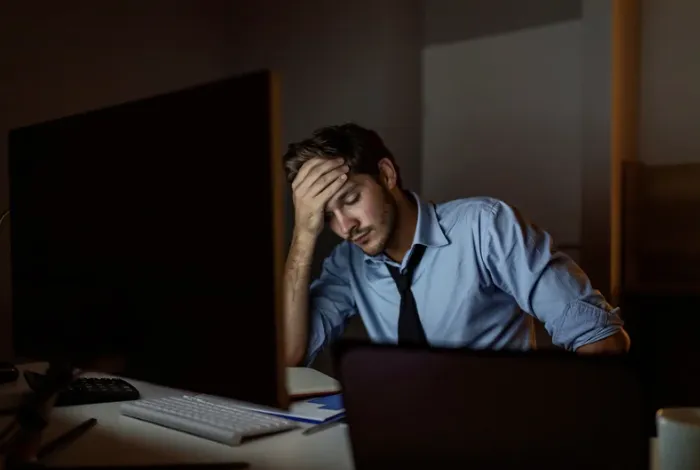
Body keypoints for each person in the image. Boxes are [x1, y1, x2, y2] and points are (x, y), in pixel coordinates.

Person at [282, 123, 630, 367]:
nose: (345, 227)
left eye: (352, 198)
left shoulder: (484, 226)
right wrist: (303, 234)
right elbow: (291, 354)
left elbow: (601, 341)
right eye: (327, 216)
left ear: (386, 175)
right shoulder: (347, 262)